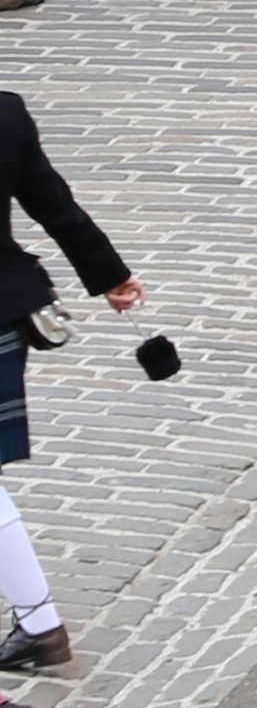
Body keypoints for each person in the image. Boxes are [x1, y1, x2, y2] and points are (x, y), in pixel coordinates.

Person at [0, 91, 136, 671]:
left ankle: (41, 624)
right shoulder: (4, 114)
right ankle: (39, 624)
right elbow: (53, 205)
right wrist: (110, 275)